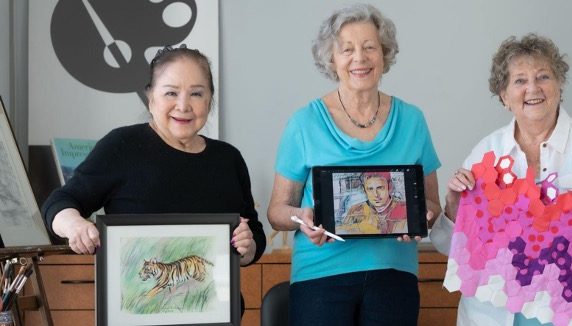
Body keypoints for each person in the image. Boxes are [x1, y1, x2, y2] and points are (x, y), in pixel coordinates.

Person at [430, 34, 572, 326]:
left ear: (559, 85)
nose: (533, 88)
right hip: (498, 315)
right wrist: (453, 205)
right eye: (519, 81)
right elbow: (449, 246)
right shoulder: (486, 152)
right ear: (503, 96)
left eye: (543, 76)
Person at [41, 45, 266, 311]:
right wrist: (75, 226)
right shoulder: (122, 146)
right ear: (151, 98)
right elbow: (59, 201)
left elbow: (254, 233)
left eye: (196, 93)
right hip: (138, 315)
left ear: (209, 100)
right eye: (171, 92)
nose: (183, 105)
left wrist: (247, 247)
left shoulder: (229, 159)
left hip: (216, 313)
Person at [267, 4, 441, 325]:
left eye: (369, 47)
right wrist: (302, 217)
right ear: (331, 59)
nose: (359, 58)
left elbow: (432, 203)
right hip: (320, 275)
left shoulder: (413, 120)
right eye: (347, 49)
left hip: (393, 273)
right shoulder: (304, 123)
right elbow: (277, 211)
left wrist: (418, 217)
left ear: (384, 55)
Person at [340, 172, 408, 234]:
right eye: (370, 189)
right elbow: (343, 232)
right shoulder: (356, 210)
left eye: (380, 188)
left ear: (390, 187)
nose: (375, 194)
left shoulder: (405, 209)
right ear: (364, 190)